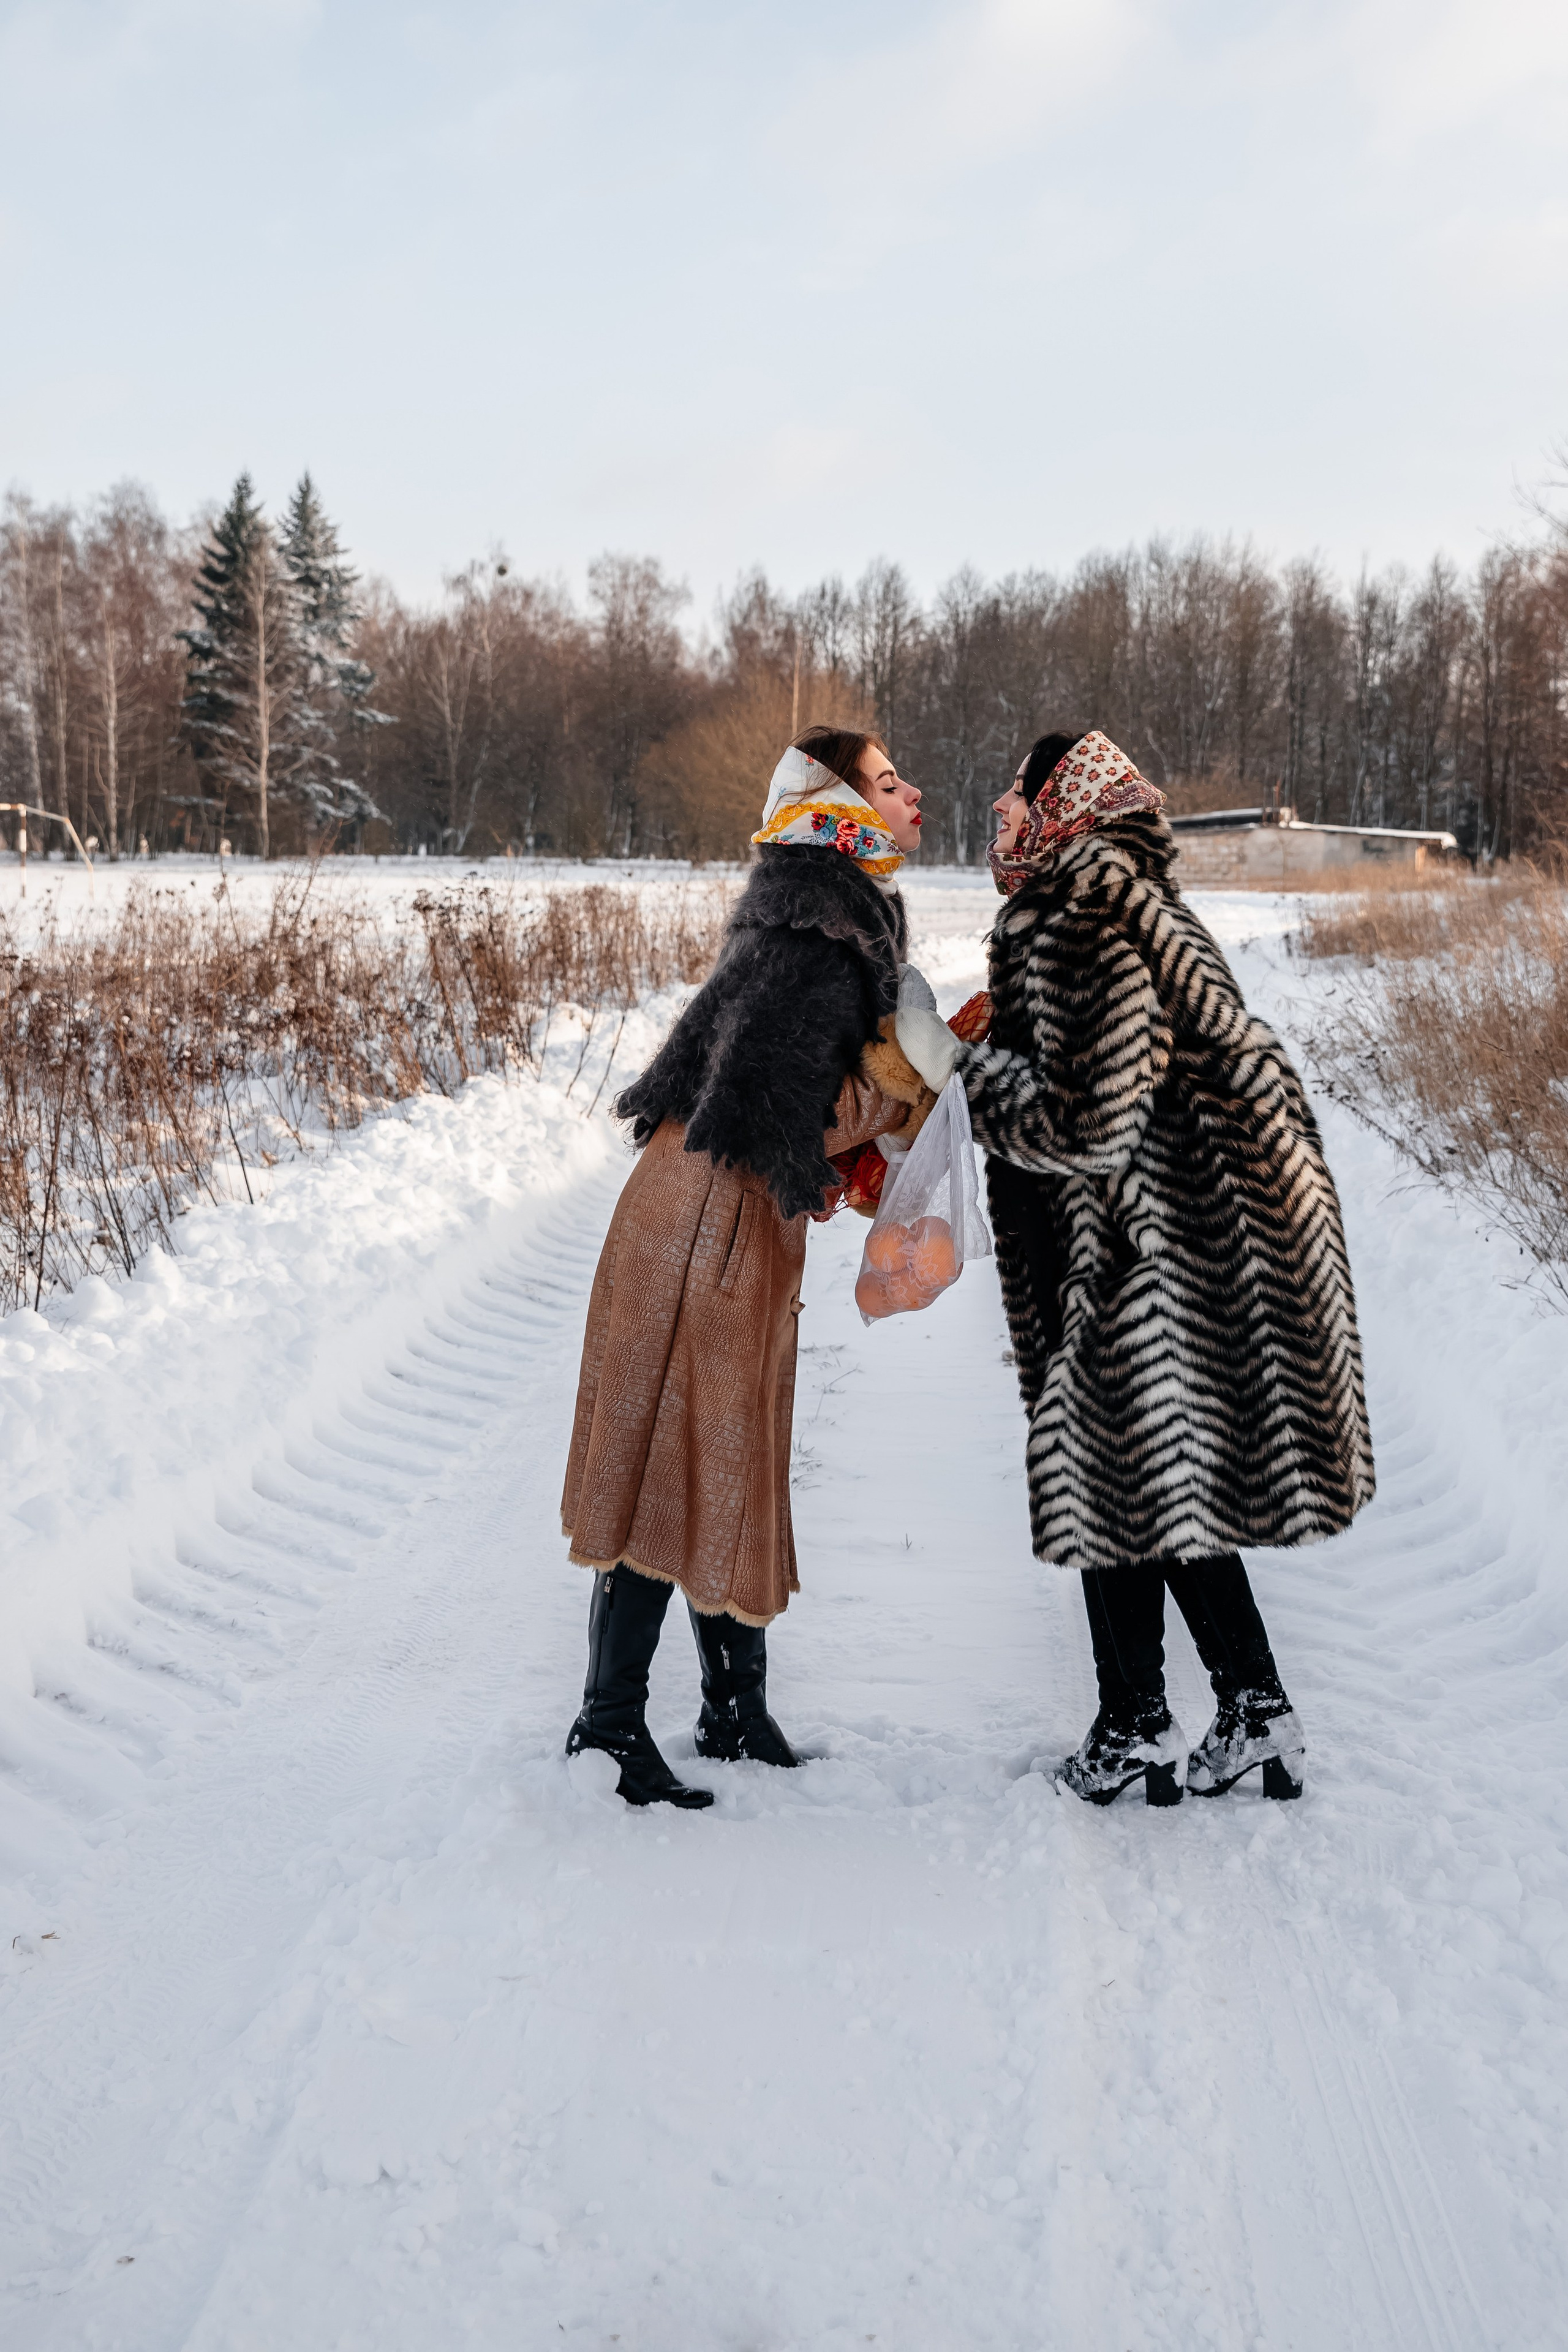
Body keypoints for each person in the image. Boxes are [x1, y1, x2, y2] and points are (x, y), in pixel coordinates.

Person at [892, 729, 1376, 1806]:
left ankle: (1139, 1725)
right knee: (1155, 1481)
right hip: (1191, 1236)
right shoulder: (1118, 893)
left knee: (1112, 1475)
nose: (1004, 813)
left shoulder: (1086, 914)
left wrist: (957, 1072)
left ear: (1065, 803)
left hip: (1158, 1248)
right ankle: (1246, 1709)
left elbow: (1083, 1112)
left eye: (1021, 793)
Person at [559, 726, 924, 1808]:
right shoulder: (820, 932)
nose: (911, 791)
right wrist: (908, 1094)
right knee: (676, 1452)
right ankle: (609, 1726)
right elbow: (782, 1109)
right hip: (707, 1220)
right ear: (842, 805)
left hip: (715, 1212)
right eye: (889, 778)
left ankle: (731, 1707)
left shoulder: (819, 908)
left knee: (728, 1446)